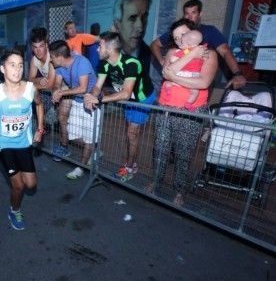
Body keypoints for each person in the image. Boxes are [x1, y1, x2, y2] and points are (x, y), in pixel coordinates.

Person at [147, 18, 218, 206]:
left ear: (194, 32)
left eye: (184, 34)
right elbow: (166, 73)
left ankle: (180, 190)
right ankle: (156, 180)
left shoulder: (209, 54)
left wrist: (175, 77)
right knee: (160, 147)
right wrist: (191, 54)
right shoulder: (172, 51)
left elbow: (203, 82)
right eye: (176, 37)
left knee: (183, 152)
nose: (180, 40)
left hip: (190, 112)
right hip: (165, 108)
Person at [0, 49, 45, 230]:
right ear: (2, 69)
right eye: (12, 65)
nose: (17, 70)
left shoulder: (31, 90)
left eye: (20, 65)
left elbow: (39, 106)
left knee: (31, 184)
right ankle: (14, 210)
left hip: (23, 143)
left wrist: (40, 128)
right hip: (4, 145)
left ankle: (15, 206)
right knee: (18, 185)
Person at [84, 32, 156, 182]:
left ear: (110, 49)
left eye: (100, 46)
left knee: (131, 133)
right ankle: (132, 161)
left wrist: (99, 99)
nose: (97, 49)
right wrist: (91, 96)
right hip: (128, 99)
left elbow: (125, 93)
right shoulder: (105, 63)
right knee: (129, 132)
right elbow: (97, 86)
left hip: (142, 99)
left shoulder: (131, 63)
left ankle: (130, 167)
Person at [150, 0, 246, 89]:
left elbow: (225, 51)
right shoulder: (178, 32)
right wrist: (162, 61)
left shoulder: (210, 31)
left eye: (193, 13)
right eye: (186, 13)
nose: (190, 17)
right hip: (173, 82)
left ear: (200, 14)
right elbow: (155, 45)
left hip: (198, 83)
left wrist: (237, 74)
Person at [49, 40, 97, 178]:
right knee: (73, 132)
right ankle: (93, 148)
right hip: (77, 100)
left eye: (52, 57)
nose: (50, 61)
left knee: (88, 137)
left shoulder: (81, 62)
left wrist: (62, 93)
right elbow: (57, 83)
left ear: (59, 57)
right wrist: (56, 91)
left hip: (91, 102)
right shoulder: (59, 67)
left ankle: (81, 167)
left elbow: (83, 88)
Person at [111, 0, 153, 73]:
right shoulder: (108, 54)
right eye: (132, 18)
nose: (140, 27)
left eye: (144, 17)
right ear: (117, 24)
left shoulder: (151, 57)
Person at [164, 30, 204, 111]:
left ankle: (169, 86)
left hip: (182, 74)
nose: (180, 42)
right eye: (176, 38)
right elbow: (167, 71)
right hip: (191, 76)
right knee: (195, 92)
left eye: (182, 40)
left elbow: (173, 59)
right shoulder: (191, 50)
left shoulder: (186, 50)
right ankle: (188, 103)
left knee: (171, 82)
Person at [28, 27, 56, 121]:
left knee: (63, 122)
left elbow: (50, 84)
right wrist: (38, 79)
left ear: (46, 45)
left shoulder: (52, 58)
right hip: (49, 93)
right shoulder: (34, 59)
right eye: (35, 47)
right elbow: (30, 79)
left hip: (65, 90)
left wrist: (30, 86)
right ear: (32, 48)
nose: (38, 50)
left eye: (41, 46)